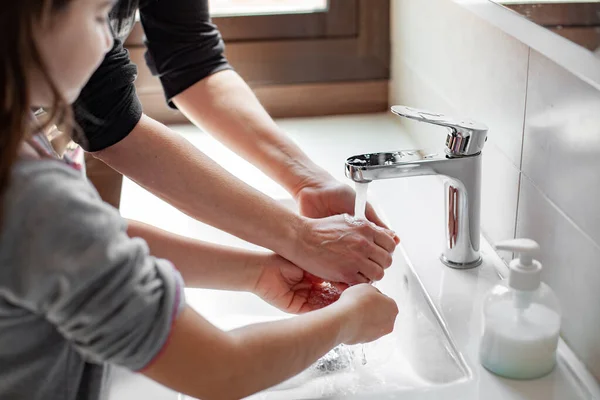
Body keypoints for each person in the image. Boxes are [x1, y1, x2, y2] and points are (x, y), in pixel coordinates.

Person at [0, 2, 399, 400]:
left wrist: (258, 273)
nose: (112, 41)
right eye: (97, 17)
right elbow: (221, 370)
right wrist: (346, 321)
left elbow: (93, 240)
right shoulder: (37, 198)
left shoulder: (23, 150)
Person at [75, 0, 398, 286]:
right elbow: (102, 109)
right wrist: (299, 237)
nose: (108, 39)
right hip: (36, 140)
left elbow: (190, 57)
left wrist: (308, 181)